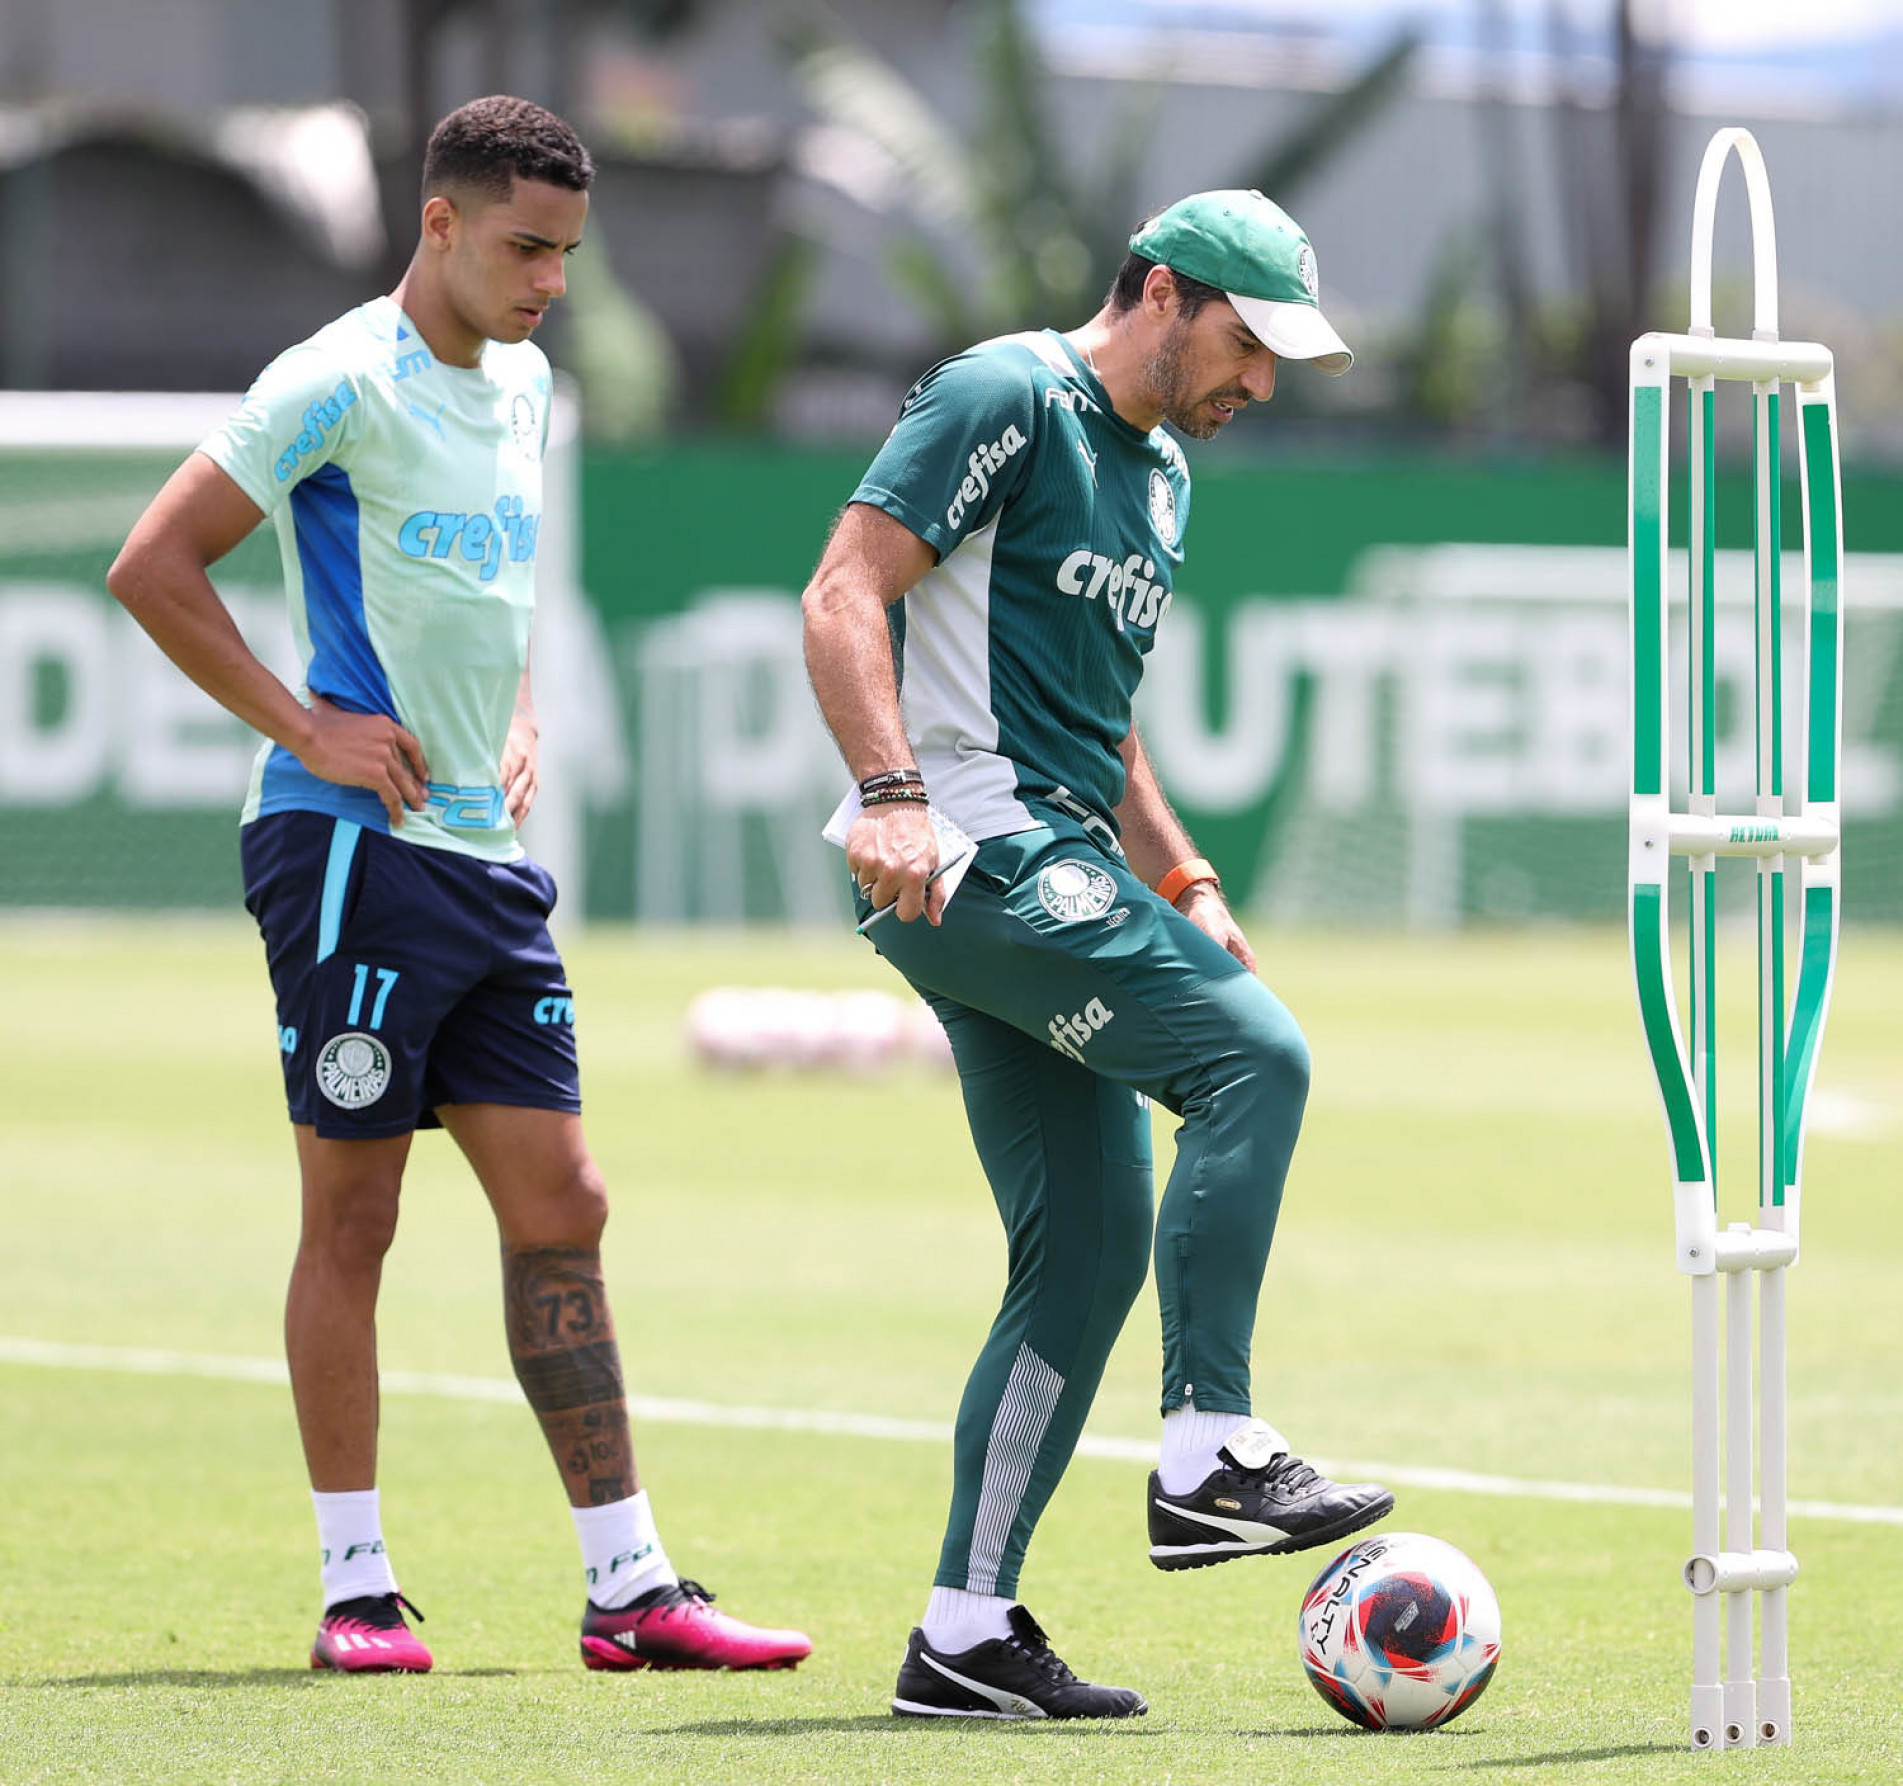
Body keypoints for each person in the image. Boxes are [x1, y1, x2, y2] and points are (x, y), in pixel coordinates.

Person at [107, 94, 810, 1678]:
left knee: (565, 1204)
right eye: (526, 247)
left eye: (567, 252)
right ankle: (358, 1588)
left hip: (487, 860)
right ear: (440, 222)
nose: (551, 279)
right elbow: (153, 561)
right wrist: (307, 725)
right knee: (354, 1216)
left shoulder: (530, 383)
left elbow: (488, 588)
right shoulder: (333, 379)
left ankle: (629, 1590)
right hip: (348, 853)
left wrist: (522, 713)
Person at [801, 189, 1395, 1720]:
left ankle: (965, 1630)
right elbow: (842, 589)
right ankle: (1211, 1449)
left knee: (1085, 1254)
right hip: (976, 854)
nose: (1259, 382)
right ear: (1160, 290)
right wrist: (889, 794)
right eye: (1248, 342)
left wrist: (1182, 869)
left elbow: (1102, 721)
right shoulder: (1009, 393)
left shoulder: (1168, 477)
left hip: (1047, 853)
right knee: (1253, 1053)